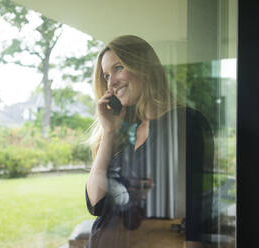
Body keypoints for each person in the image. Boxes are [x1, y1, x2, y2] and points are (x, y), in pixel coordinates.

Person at [85, 35, 214, 248]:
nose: (111, 83)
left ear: (143, 67)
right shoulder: (122, 131)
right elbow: (96, 203)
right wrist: (108, 133)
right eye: (106, 75)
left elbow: (195, 207)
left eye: (118, 68)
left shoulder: (183, 123)